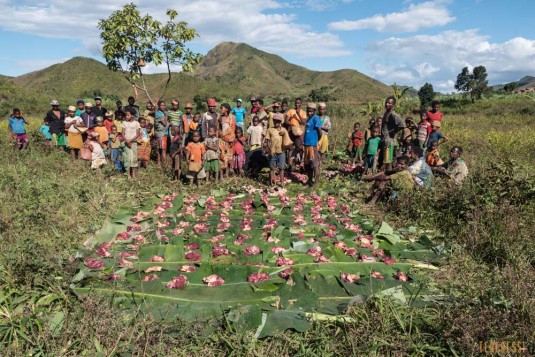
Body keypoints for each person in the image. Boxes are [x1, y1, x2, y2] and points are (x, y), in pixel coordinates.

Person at [381, 96, 406, 171]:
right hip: (387, 140)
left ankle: (388, 177)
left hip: (389, 141)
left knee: (388, 161)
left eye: (389, 103)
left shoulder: (393, 114)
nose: (387, 104)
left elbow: (402, 124)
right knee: (388, 160)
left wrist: (394, 131)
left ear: (393, 105)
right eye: (386, 102)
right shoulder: (387, 113)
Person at [265, 114, 289, 187]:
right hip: (273, 151)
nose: (276, 123)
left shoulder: (283, 130)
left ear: (280, 122)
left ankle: (282, 182)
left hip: (281, 151)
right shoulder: (270, 130)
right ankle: (271, 183)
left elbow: (287, 140)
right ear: (273, 121)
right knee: (272, 168)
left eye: (278, 122)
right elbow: (268, 141)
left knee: (281, 168)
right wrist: (270, 150)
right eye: (275, 122)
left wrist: (284, 134)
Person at [303, 102, 322, 187]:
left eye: (311, 111)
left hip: (312, 145)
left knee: (314, 165)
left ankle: (316, 182)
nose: (309, 113)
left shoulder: (316, 118)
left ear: (314, 111)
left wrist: (317, 140)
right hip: (306, 145)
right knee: (307, 165)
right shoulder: (308, 119)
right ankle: (309, 180)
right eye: (308, 111)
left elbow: (319, 131)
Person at [122, 108, 141, 179]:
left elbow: (137, 134)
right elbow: (122, 133)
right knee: (127, 158)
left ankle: (134, 174)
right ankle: (128, 174)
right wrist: (127, 140)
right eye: (126, 115)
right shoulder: (124, 123)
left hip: (133, 143)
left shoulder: (136, 123)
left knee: (133, 158)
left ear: (132, 115)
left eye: (128, 115)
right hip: (126, 142)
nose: (126, 116)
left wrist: (130, 140)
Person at [154, 100, 170, 167]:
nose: (163, 106)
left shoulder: (161, 113)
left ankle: (159, 163)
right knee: (162, 149)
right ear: (159, 106)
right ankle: (164, 165)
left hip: (163, 134)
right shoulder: (159, 113)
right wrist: (166, 115)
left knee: (161, 149)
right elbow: (164, 123)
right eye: (161, 105)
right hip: (161, 134)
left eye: (164, 105)